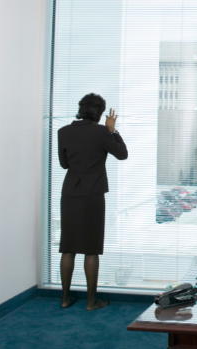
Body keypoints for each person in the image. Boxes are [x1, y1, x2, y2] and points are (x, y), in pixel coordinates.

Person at [57, 93, 128, 310]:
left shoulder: (63, 132)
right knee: (91, 248)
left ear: (80, 109)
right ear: (99, 114)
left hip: (69, 193)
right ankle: (91, 302)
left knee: (68, 247)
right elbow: (122, 154)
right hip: (92, 195)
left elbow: (64, 164)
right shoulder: (101, 132)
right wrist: (112, 129)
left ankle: (65, 299)